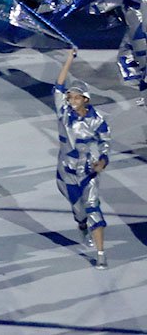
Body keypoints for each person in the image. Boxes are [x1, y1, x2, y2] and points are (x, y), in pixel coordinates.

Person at [53, 49, 111, 269]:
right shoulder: (63, 112)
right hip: (65, 172)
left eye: (77, 97)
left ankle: (101, 253)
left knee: (93, 209)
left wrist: (103, 161)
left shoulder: (97, 120)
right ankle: (81, 226)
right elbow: (58, 86)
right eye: (70, 96)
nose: (72, 100)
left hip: (88, 172)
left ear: (86, 99)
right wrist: (69, 59)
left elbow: (106, 141)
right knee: (79, 211)